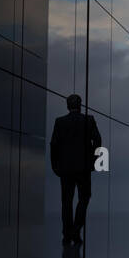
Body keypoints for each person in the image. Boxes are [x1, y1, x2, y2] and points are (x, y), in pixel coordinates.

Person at [49, 93, 101, 245]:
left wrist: (55, 166)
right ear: (80, 105)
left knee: (66, 202)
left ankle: (67, 234)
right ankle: (75, 230)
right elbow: (98, 140)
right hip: (83, 168)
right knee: (84, 199)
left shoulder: (60, 122)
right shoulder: (88, 120)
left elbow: (54, 145)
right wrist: (94, 161)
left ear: (67, 105)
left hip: (65, 169)